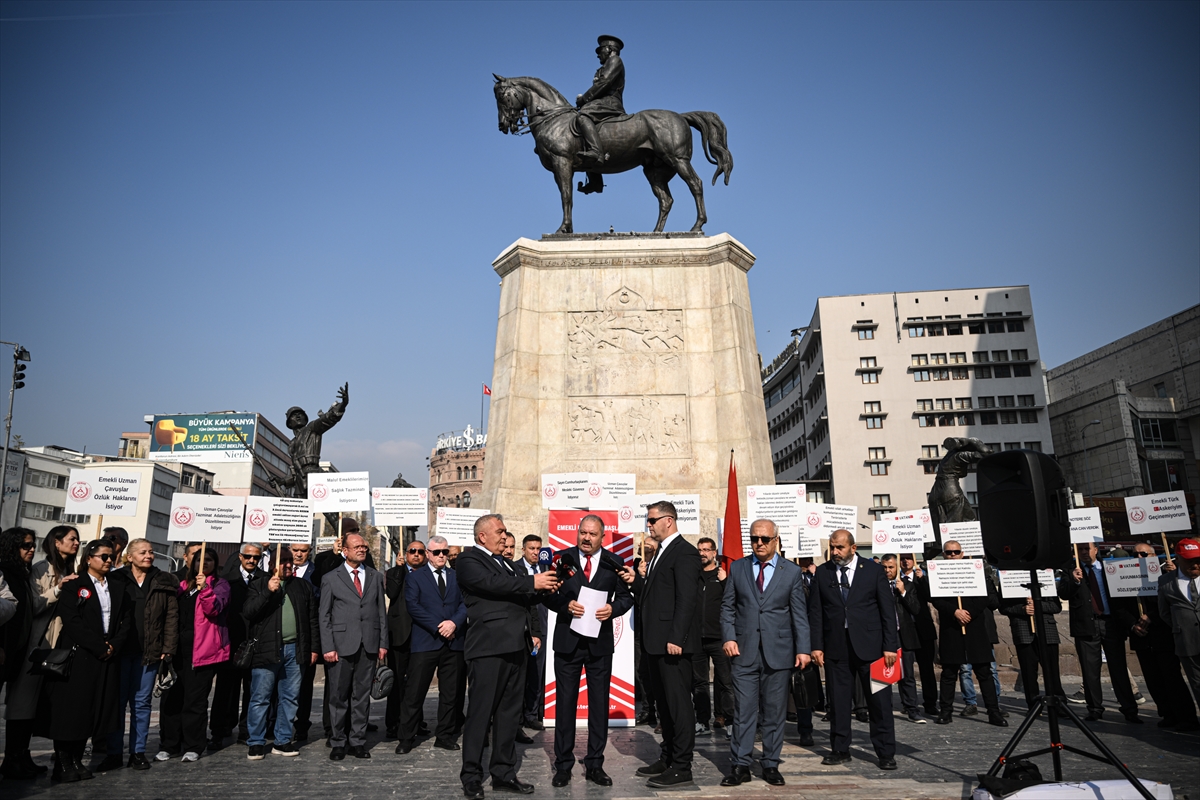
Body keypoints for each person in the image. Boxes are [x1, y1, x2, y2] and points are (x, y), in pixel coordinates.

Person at [456, 514, 559, 800]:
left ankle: (503, 773)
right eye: (500, 532)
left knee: (509, 716)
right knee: (480, 715)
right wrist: (531, 581)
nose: (505, 536)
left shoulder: (509, 565)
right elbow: (492, 585)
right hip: (488, 649)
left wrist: (552, 584)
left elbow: (525, 596)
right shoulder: (469, 560)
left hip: (516, 647)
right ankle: (472, 776)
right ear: (482, 536)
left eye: (505, 532)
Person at [542, 514, 633, 787]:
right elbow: (546, 593)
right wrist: (564, 605)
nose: (586, 538)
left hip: (599, 645)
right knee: (565, 703)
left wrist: (613, 609)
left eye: (592, 534)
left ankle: (595, 764)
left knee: (598, 705)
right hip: (568, 643)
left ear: (602, 537)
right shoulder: (562, 559)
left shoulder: (613, 562)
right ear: (577, 533)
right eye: (583, 532)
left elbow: (627, 596)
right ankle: (563, 765)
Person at [719, 520, 810, 787]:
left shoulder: (791, 572)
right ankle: (740, 764)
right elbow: (727, 608)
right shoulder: (738, 567)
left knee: (773, 712)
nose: (759, 543)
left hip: (779, 653)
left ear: (775, 540)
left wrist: (803, 649)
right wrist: (729, 637)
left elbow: (799, 615)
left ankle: (770, 764)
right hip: (744, 652)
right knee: (744, 711)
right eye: (754, 538)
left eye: (764, 539)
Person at [622, 500, 702, 788]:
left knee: (679, 706)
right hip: (655, 643)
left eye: (652, 519)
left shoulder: (685, 552)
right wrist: (636, 582)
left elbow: (686, 599)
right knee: (665, 706)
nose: (649, 524)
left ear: (668, 520)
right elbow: (656, 595)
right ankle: (668, 757)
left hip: (672, 644)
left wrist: (676, 638)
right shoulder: (659, 553)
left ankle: (682, 766)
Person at [806, 529, 899, 770]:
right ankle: (840, 748)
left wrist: (890, 646)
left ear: (853, 548)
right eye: (832, 547)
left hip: (873, 649)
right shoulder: (823, 572)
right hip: (837, 647)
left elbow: (887, 611)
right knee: (838, 701)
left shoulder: (873, 570)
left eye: (840, 548)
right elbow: (816, 612)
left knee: (879, 702)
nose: (835, 552)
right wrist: (816, 645)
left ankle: (885, 752)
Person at [49, 538, 132, 782]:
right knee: (72, 709)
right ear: (89, 558)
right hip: (81, 653)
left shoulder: (116, 586)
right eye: (103, 556)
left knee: (93, 709)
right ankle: (63, 761)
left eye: (111, 557)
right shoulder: (76, 584)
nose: (109, 560)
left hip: (106, 654)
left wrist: (113, 645)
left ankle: (76, 759)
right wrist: (97, 646)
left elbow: (125, 620)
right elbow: (72, 620)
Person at [105, 538, 179, 771]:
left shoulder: (163, 580)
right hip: (118, 651)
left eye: (151, 551)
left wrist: (168, 648)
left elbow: (171, 617)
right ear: (130, 556)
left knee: (142, 703)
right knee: (117, 704)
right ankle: (114, 752)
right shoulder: (115, 579)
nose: (148, 555)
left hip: (148, 652)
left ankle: (137, 752)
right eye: (143, 552)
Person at [242, 547, 320, 760]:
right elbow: (249, 613)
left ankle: (283, 740)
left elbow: (312, 619)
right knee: (260, 698)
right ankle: (256, 741)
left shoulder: (302, 586)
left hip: (294, 650)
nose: (287, 564)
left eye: (289, 560)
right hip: (267, 649)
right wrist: (268, 591)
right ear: (270, 564)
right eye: (282, 560)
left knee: (290, 698)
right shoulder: (258, 584)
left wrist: (313, 648)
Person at [318, 532, 388, 760]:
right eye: (357, 546)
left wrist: (382, 643)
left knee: (361, 696)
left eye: (365, 547)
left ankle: (357, 741)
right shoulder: (331, 578)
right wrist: (328, 646)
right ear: (344, 551)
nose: (362, 550)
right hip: (340, 646)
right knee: (338, 696)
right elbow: (324, 615)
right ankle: (338, 741)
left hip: (368, 645)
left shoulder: (375, 577)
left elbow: (380, 613)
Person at [157, 547, 230, 763]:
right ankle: (169, 744)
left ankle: (194, 745)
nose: (204, 563)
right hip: (176, 650)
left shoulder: (220, 585)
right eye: (200, 560)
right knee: (171, 699)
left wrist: (205, 588)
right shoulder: (180, 585)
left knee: (194, 701)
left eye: (208, 560)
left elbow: (214, 610)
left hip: (203, 653)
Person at [396, 535, 467, 754]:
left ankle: (444, 735)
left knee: (451, 693)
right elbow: (413, 607)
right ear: (428, 554)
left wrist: (453, 623)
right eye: (436, 552)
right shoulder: (416, 577)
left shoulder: (457, 576)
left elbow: (466, 604)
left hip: (453, 643)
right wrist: (439, 626)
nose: (441, 556)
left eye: (445, 552)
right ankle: (406, 737)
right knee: (415, 692)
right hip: (426, 642)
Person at [1061, 541, 1140, 723]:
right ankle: (1095, 708)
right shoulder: (1070, 571)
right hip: (1086, 626)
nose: (1083, 552)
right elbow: (1063, 593)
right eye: (1079, 549)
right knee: (1090, 671)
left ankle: (1129, 709)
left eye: (1086, 548)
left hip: (1110, 623)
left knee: (1118, 668)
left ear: (1096, 549)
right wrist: (1074, 580)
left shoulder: (1109, 568)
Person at [929, 541, 1006, 727]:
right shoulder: (937, 573)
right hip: (951, 628)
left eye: (956, 552)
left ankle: (993, 712)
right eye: (949, 552)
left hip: (974, 627)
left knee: (984, 672)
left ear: (962, 553)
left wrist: (967, 613)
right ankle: (946, 712)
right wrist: (955, 611)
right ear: (944, 555)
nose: (953, 555)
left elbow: (984, 597)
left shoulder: (977, 571)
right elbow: (936, 598)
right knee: (948, 674)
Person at [1128, 542, 1197, 730]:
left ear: (1153, 555)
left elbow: (1167, 607)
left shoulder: (1166, 577)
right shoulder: (1124, 577)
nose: (1139, 558)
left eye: (1143, 554)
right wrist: (1133, 624)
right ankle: (1167, 713)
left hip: (1162, 635)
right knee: (1153, 680)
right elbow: (1121, 607)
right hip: (1141, 637)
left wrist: (1151, 617)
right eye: (1135, 554)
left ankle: (1186, 717)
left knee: (1172, 678)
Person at [1, 527, 50, 779]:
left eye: (33, 545)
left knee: (22, 709)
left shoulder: (23, 573)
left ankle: (18, 756)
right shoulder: (6, 573)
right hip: (5, 649)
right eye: (25, 546)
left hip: (18, 650)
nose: (31, 550)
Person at [211, 542, 265, 749]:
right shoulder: (226, 580)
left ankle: (246, 730)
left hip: (254, 642)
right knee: (225, 690)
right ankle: (219, 730)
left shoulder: (265, 580)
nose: (252, 560)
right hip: (230, 642)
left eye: (256, 557)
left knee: (252, 690)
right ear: (240, 557)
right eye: (248, 556)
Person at [998, 570, 1063, 709]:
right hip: (1023, 631)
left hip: (1047, 631)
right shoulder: (1009, 577)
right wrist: (1023, 609)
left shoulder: (1043, 573)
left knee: (1052, 672)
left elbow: (1056, 606)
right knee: (1028, 673)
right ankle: (1033, 705)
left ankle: (1058, 704)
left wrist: (1037, 605)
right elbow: (1003, 607)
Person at [384, 539, 426, 739]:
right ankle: (393, 722)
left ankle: (416, 721)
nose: (416, 554)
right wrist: (400, 569)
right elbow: (391, 592)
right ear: (406, 554)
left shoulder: (428, 574)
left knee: (417, 683)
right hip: (399, 635)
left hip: (421, 635)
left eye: (420, 551)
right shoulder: (394, 572)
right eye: (412, 551)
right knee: (397, 682)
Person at [880, 554, 926, 723]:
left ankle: (912, 708)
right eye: (884, 567)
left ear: (897, 567)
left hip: (904, 635)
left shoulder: (908, 585)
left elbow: (915, 609)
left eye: (891, 567)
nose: (887, 571)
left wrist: (903, 592)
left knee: (907, 674)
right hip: (884, 636)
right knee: (883, 674)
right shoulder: (878, 586)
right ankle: (884, 709)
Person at [694, 537, 733, 734]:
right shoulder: (694, 576)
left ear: (714, 552)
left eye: (707, 550)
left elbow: (733, 601)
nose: (703, 553)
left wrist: (725, 581)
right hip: (697, 639)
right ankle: (702, 721)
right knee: (699, 684)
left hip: (719, 638)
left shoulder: (722, 576)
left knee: (726, 681)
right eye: (700, 549)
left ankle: (729, 720)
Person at [574, 34, 625, 183]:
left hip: (610, 103)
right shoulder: (603, 66)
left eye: (600, 50)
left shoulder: (615, 61)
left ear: (609, 49)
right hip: (601, 103)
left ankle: (596, 153)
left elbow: (605, 83)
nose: (597, 54)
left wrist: (584, 99)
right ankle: (595, 180)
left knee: (583, 117)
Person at [1157, 538, 1200, 715]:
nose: (1195, 564)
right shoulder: (1166, 582)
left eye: (1198, 559)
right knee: (1197, 684)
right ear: (1178, 559)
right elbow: (1164, 613)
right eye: (1190, 560)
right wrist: (1181, 626)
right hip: (1187, 643)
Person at [900, 554, 939, 715]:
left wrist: (922, 579)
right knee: (906, 670)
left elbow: (931, 597)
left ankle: (930, 703)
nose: (906, 561)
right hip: (905, 629)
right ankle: (909, 703)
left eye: (909, 557)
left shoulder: (921, 577)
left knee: (927, 668)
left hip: (923, 628)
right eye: (902, 558)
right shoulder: (895, 579)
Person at [288, 541, 320, 740]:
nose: (299, 554)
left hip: (306, 636)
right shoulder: (278, 570)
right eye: (295, 550)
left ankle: (302, 726)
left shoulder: (316, 574)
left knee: (305, 686)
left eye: (303, 551)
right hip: (282, 636)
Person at [518, 533, 548, 732]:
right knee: (521, 674)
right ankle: (518, 715)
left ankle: (533, 713)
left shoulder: (546, 569)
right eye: (531, 548)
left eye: (538, 549)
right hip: (522, 629)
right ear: (524, 550)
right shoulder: (515, 569)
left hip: (544, 627)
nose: (535, 552)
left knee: (538, 672)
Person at [633, 534, 659, 727]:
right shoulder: (637, 567)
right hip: (639, 627)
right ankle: (648, 710)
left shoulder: (661, 566)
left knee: (659, 673)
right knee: (642, 671)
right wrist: (639, 577)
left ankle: (662, 713)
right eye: (644, 545)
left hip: (657, 627)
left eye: (650, 544)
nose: (646, 547)